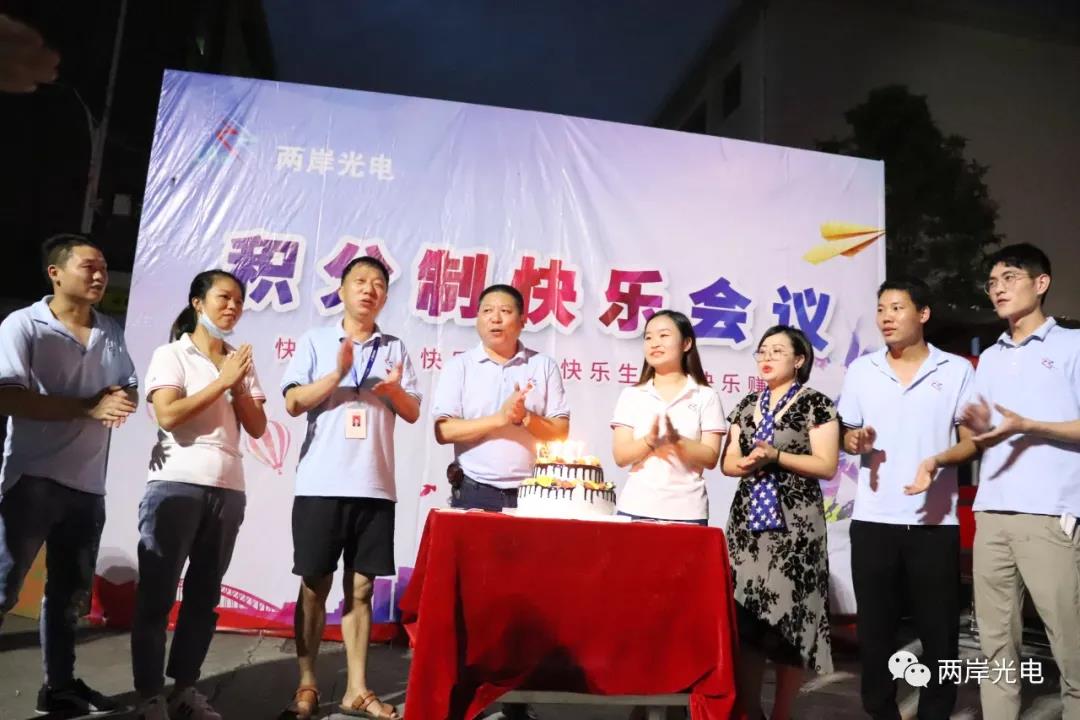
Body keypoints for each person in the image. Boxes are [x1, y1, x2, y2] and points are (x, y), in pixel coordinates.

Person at [0, 234, 137, 716]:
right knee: (4, 586)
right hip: (32, 479)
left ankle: (58, 688)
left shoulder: (110, 329)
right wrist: (88, 407)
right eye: (88, 266)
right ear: (55, 273)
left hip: (88, 486)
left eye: (103, 267)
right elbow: (7, 395)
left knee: (68, 598)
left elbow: (129, 384)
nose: (99, 275)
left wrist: (122, 399)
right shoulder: (24, 325)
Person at [281, 256, 420, 720]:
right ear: (341, 290)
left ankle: (356, 689)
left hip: (375, 484)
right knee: (314, 585)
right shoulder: (315, 341)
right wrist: (337, 374)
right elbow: (293, 402)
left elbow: (413, 412)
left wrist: (393, 390)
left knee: (361, 590)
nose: (369, 289)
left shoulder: (395, 347)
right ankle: (307, 683)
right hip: (321, 482)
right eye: (359, 281)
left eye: (378, 283)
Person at [131, 270, 267, 720]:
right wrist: (222, 382)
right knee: (157, 595)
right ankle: (149, 696)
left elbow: (258, 426)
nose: (232, 307)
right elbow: (168, 415)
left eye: (239, 301)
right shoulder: (173, 353)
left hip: (228, 489)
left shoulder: (239, 361)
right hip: (175, 484)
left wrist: (238, 381)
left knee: (204, 598)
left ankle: (184, 690)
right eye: (223, 298)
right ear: (197, 303)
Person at [838, 278, 976, 720]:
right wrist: (854, 441)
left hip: (935, 523)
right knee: (875, 633)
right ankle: (881, 712)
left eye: (897, 308)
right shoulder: (862, 370)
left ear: (923, 313)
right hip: (874, 520)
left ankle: (936, 713)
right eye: (881, 309)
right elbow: (846, 434)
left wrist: (937, 460)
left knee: (940, 634)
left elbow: (972, 442)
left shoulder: (955, 370)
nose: (886, 318)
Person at [959, 243, 1080, 720]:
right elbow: (980, 431)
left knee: (1069, 645)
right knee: (995, 649)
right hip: (991, 512)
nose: (998, 289)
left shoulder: (1072, 346)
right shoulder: (989, 357)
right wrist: (975, 429)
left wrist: (1030, 425)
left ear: (1040, 283)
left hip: (1050, 515)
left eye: (1009, 278)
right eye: (992, 283)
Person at [721, 325, 840, 720]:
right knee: (747, 622)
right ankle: (750, 710)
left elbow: (825, 464)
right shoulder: (746, 404)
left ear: (799, 360)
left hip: (796, 528)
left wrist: (776, 457)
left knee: (793, 624)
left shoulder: (815, 404)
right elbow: (727, 462)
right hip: (747, 529)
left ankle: (783, 713)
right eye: (762, 351)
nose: (766, 357)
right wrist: (746, 463)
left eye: (777, 351)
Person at [432, 284, 570, 511]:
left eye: (505, 311)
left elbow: (561, 432)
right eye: (487, 311)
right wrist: (500, 418)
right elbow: (444, 431)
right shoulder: (459, 366)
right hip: (473, 490)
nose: (495, 318)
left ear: (523, 320)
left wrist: (525, 417)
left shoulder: (543, 366)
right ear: (477, 318)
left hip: (534, 492)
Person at [611, 310, 725, 524]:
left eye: (664, 335)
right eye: (648, 337)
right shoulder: (632, 395)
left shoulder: (705, 395)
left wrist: (676, 440)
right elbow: (621, 456)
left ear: (686, 343)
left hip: (688, 511)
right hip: (636, 506)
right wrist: (649, 441)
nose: (654, 343)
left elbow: (710, 458)